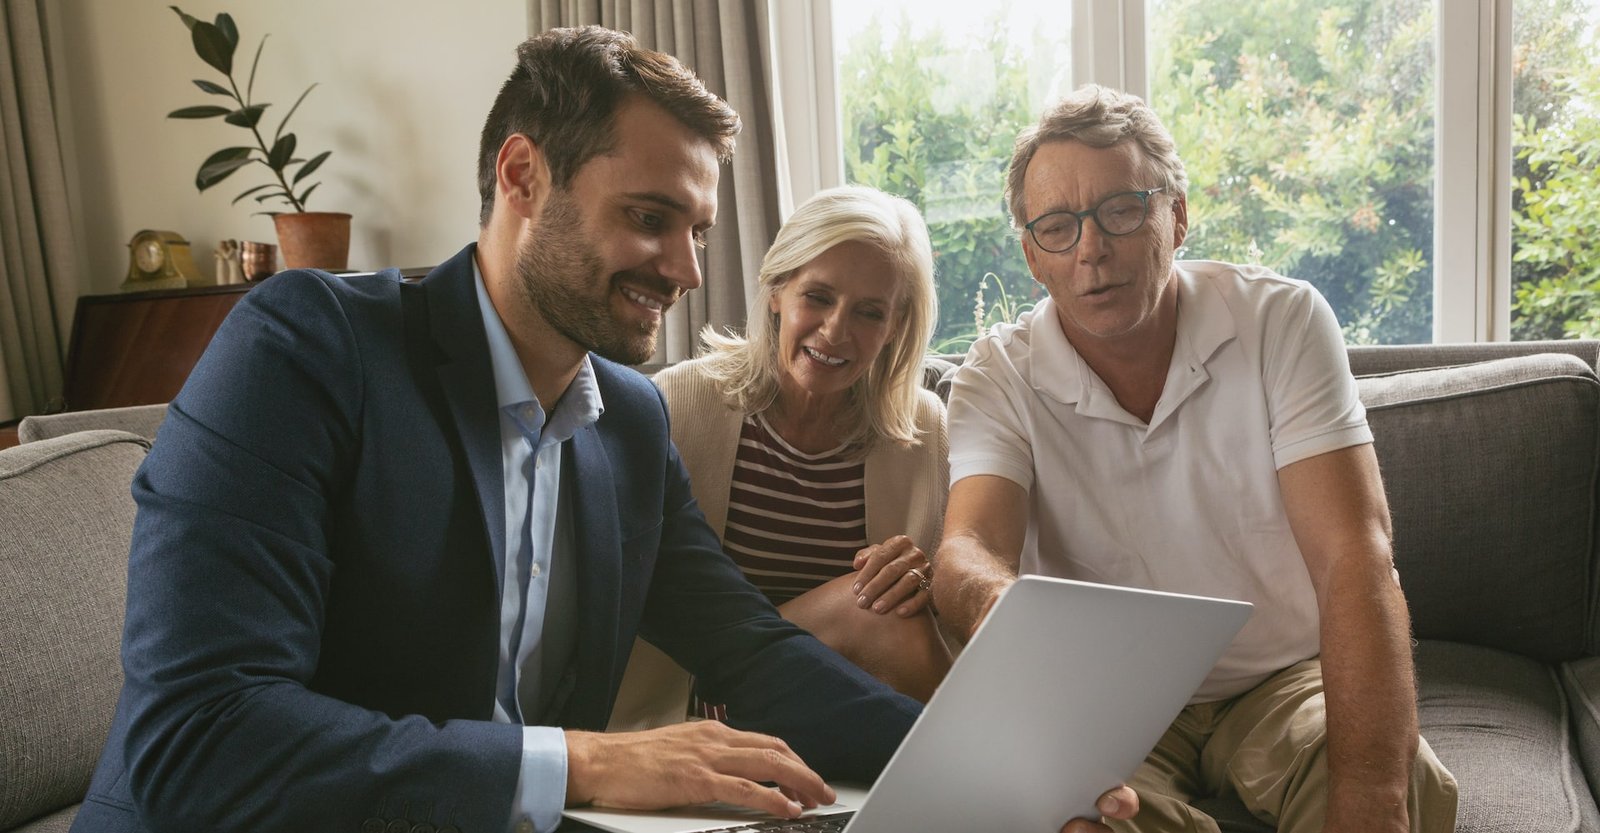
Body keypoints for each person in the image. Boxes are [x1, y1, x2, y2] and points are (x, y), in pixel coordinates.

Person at [70, 27, 1133, 833]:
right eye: (649, 217)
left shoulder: (625, 419)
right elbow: (195, 735)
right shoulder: (305, 348)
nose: (683, 270)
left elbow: (752, 649)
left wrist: (1015, 775)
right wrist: (579, 762)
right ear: (522, 176)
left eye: (698, 231)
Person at [931, 84, 1459, 833]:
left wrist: (1372, 797)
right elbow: (968, 549)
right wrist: (1000, 606)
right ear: (1032, 257)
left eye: (1121, 210)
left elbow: (1355, 555)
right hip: (1107, 696)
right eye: (1058, 226)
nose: (1091, 248)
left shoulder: (1283, 320)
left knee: (1403, 784)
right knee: (1059, 821)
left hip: (1282, 679)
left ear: (1175, 216)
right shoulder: (996, 375)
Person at [608, 186, 950, 730]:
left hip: (846, 707)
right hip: (697, 704)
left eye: (869, 312)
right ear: (776, 290)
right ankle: (991, 775)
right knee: (877, 613)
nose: (836, 331)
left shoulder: (925, 430)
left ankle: (988, 777)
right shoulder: (677, 404)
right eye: (817, 297)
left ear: (895, 326)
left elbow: (937, 616)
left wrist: (921, 581)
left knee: (895, 608)